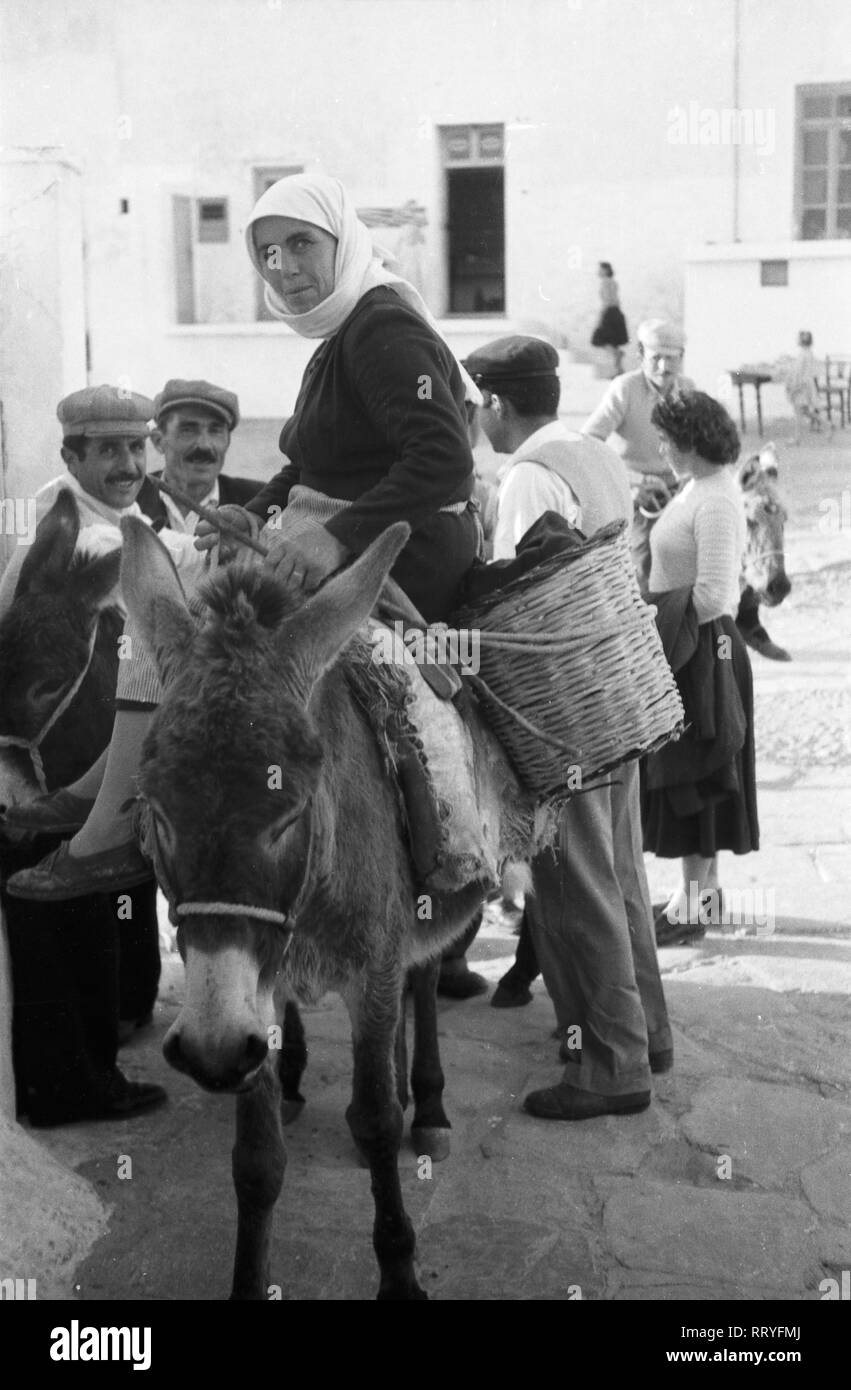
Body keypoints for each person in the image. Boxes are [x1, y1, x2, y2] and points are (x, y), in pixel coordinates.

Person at [6, 173, 480, 900]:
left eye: (299, 244)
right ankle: (104, 794)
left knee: (169, 616)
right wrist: (254, 511)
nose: (282, 267)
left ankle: (108, 823)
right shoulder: (343, 327)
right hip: (355, 534)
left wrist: (335, 539)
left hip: (400, 551)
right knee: (170, 600)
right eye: (266, 254)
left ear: (341, 239)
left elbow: (443, 459)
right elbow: (315, 462)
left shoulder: (379, 325)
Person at [464, 334, 673, 1121]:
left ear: (495, 403)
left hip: (562, 709)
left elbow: (523, 607)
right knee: (619, 876)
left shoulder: (525, 477)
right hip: (621, 693)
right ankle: (646, 1034)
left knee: (575, 888)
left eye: (477, 404)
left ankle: (611, 1067)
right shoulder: (595, 457)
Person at [0, 386, 167, 1124]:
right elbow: (150, 576)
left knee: (82, 923)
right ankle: (71, 1089)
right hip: (43, 772)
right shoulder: (72, 531)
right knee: (60, 932)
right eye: (108, 450)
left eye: (137, 447)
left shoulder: (114, 517)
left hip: (74, 764)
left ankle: (81, 1077)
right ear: (72, 457)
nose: (129, 463)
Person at [643, 391, 759, 946]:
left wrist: (654, 614)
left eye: (666, 440)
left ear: (690, 442)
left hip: (701, 649)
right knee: (698, 775)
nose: (660, 449)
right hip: (694, 644)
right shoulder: (698, 487)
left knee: (695, 775)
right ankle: (700, 898)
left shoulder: (714, 499)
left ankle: (694, 906)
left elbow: (714, 594)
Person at [582, 318, 690, 596]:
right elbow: (588, 442)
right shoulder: (625, 389)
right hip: (638, 496)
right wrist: (634, 482)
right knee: (645, 567)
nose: (664, 368)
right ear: (641, 355)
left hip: (681, 492)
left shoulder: (689, 390)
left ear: (682, 358)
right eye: (656, 358)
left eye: (672, 359)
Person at [137, 379, 263, 533]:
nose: (204, 445)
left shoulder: (259, 504)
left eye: (215, 430)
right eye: (188, 430)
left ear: (228, 441)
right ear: (158, 441)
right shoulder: (129, 499)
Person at [590, 261, 628, 376]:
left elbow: (607, 301)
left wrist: (601, 316)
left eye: (600, 269)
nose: (598, 271)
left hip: (609, 312)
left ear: (605, 270)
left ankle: (617, 356)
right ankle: (618, 370)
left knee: (598, 340)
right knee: (613, 342)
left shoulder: (605, 282)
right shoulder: (613, 282)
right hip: (616, 312)